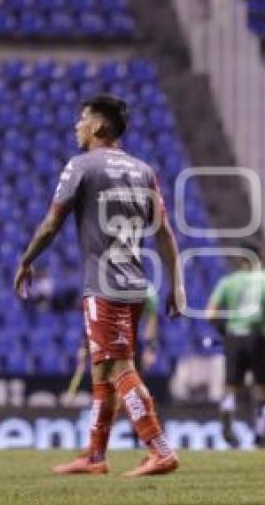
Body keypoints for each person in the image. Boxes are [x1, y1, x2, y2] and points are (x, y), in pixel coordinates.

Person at [13, 94, 184, 476]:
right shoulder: (143, 170)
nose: (77, 126)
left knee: (120, 368)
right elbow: (165, 233)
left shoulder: (81, 166)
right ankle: (95, 456)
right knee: (101, 372)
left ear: (99, 127)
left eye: (82, 120)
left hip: (104, 286)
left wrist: (27, 260)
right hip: (136, 284)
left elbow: (52, 223)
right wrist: (177, 283)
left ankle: (159, 449)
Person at [205, 251, 265, 449]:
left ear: (241, 261)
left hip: (233, 336)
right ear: (259, 260)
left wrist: (224, 330)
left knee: (231, 386)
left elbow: (210, 313)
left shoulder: (228, 282)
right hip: (259, 338)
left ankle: (228, 417)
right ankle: (259, 436)